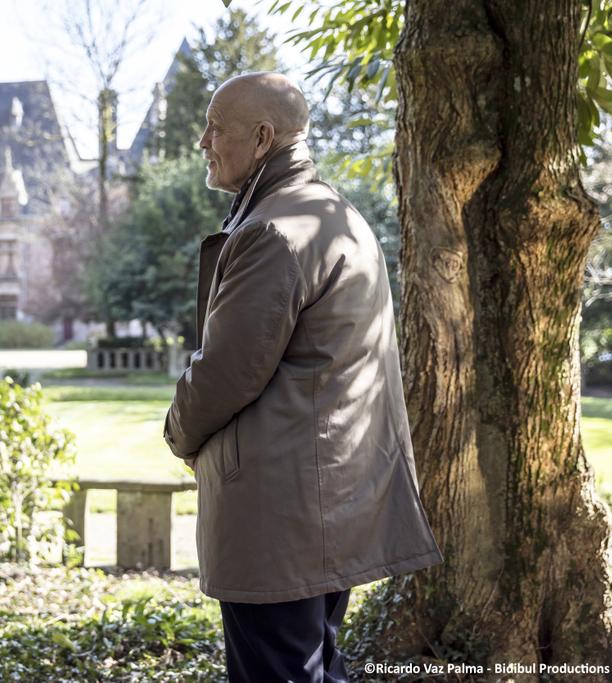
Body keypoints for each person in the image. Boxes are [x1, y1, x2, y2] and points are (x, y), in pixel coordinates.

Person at [163, 73, 443, 682]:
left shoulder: (273, 230)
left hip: (280, 510)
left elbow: (226, 373)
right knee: (310, 663)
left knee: (278, 670)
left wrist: (177, 433)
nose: (203, 141)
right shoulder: (330, 214)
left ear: (263, 138)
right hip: (323, 499)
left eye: (215, 128)